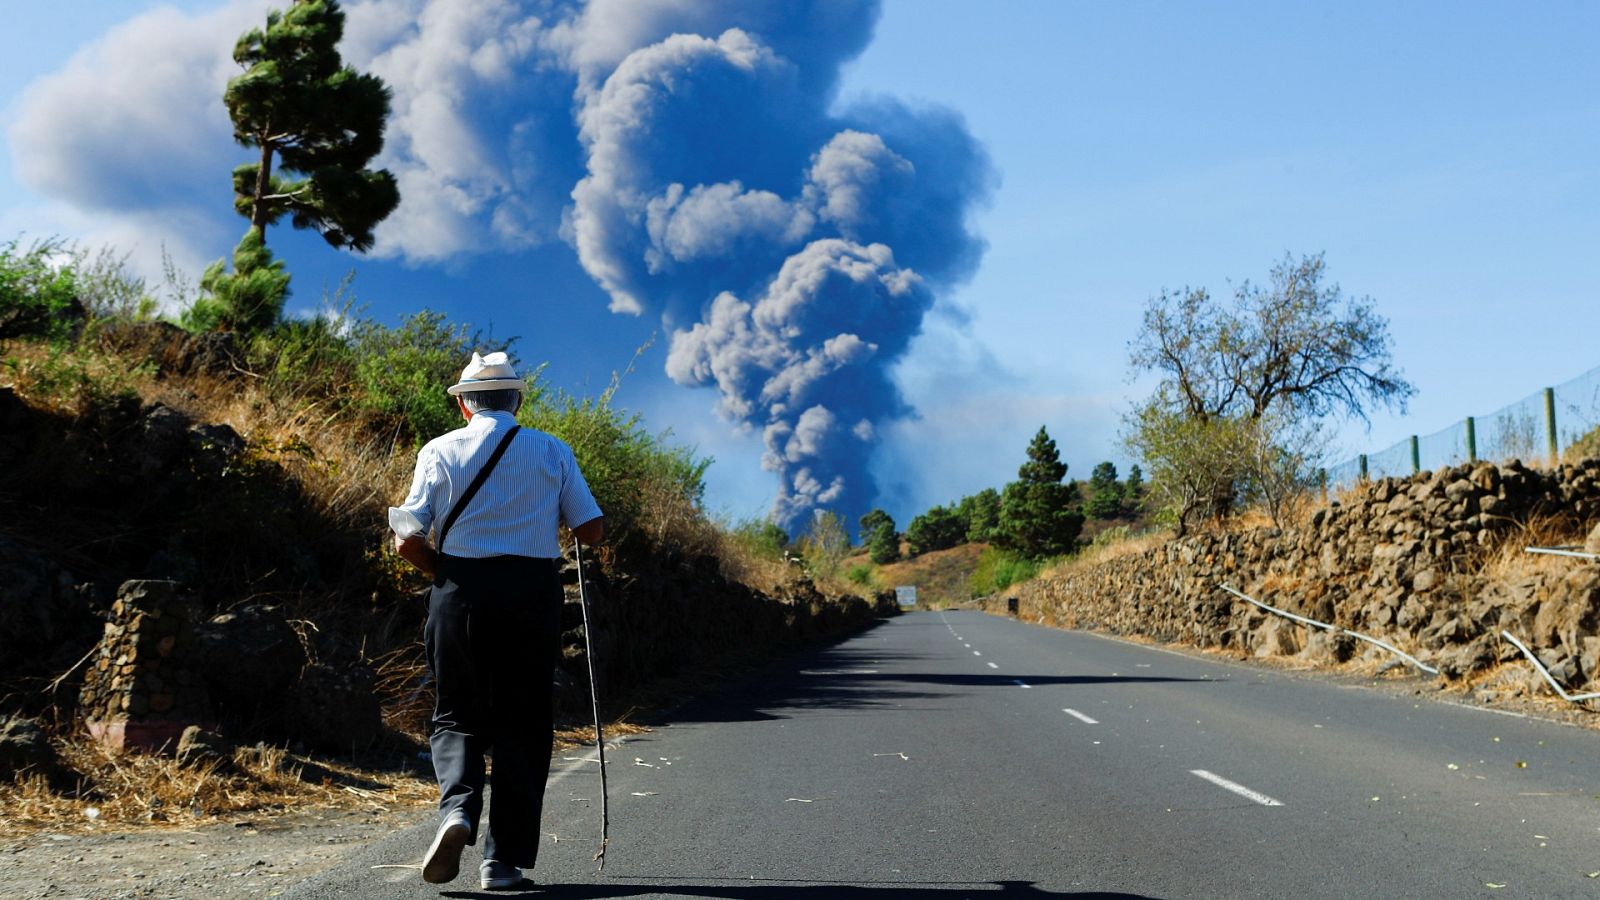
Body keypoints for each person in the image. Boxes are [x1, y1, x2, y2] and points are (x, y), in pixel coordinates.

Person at [391, 350, 605, 891]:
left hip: (459, 593)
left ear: (464, 405)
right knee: (523, 722)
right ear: (517, 402)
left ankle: (458, 812)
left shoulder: (438, 451)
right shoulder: (552, 450)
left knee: (455, 713)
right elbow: (590, 529)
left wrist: (449, 574)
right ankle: (502, 863)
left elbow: (405, 540)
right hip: (531, 595)